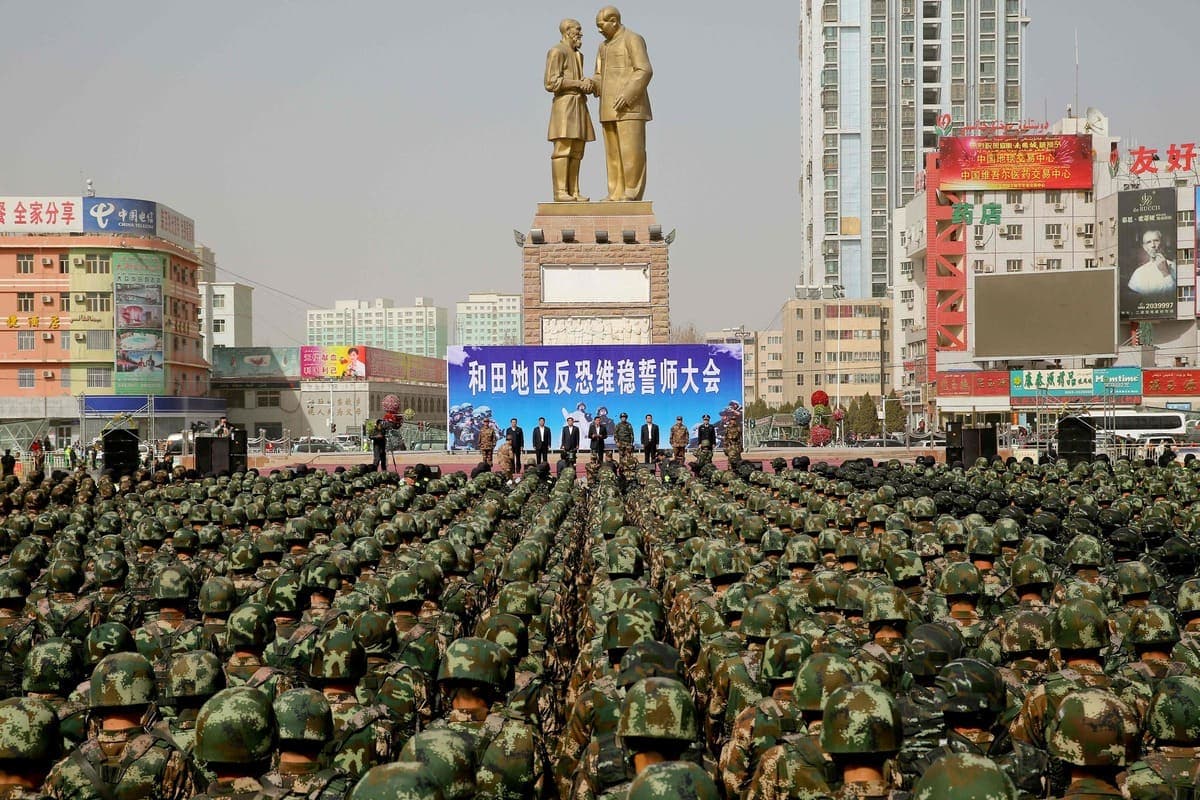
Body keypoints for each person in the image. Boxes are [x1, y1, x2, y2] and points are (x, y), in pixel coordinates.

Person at [591, 6, 653, 202]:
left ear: (614, 21)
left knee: (631, 152)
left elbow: (644, 70)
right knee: (613, 155)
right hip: (607, 108)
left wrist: (627, 95)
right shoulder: (603, 47)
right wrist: (590, 84)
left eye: (601, 25)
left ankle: (631, 192)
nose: (599, 30)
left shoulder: (633, 39)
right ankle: (615, 192)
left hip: (630, 108)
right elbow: (599, 75)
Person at [545, 18, 595, 201]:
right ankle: (560, 192)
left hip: (579, 104)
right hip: (564, 104)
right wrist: (577, 84)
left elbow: (578, 81)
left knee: (577, 150)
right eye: (577, 29)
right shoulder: (557, 51)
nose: (580, 34)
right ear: (567, 31)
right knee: (563, 148)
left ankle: (574, 191)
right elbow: (551, 82)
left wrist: (587, 83)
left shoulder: (578, 55)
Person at [1127, 229, 1176, 296]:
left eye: (1156, 241)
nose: (1153, 245)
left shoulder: (1174, 266)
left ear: (1162, 243)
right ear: (1145, 247)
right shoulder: (1138, 273)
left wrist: (1166, 273)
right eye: (1148, 242)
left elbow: (1174, 294)